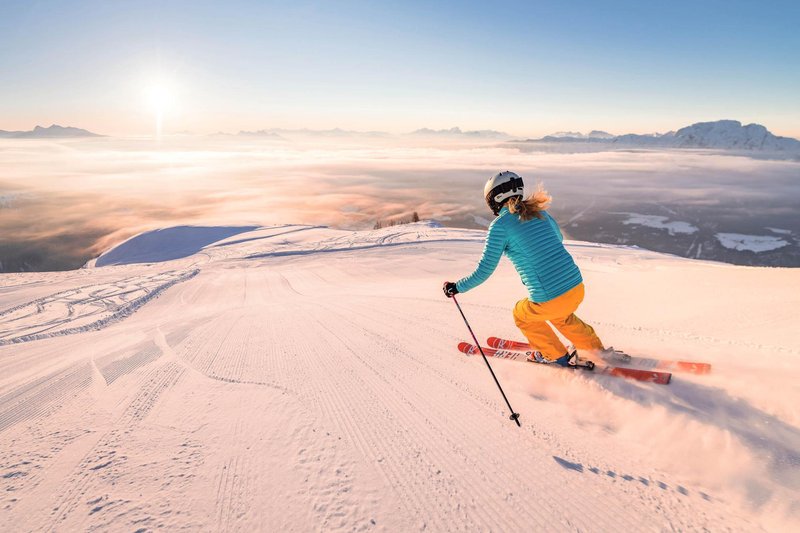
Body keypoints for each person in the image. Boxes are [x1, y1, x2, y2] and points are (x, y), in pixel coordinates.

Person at [443, 171, 605, 366]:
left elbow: (484, 270)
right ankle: (595, 349)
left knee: (522, 315)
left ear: (494, 199)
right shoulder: (540, 213)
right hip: (576, 287)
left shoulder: (500, 226)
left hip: (550, 298)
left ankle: (554, 355)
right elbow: (558, 238)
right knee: (561, 316)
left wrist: (457, 287)